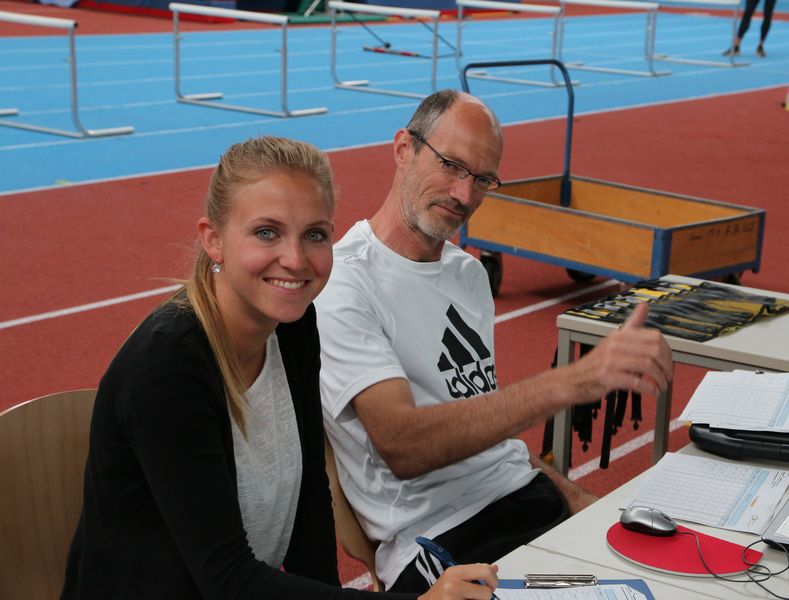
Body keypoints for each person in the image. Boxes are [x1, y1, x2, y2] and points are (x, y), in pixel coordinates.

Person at [61, 136, 498, 600]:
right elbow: (227, 578)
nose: (295, 260)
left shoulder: (292, 324)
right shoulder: (167, 368)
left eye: (315, 235)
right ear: (213, 239)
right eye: (267, 232)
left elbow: (310, 493)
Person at [316, 90, 674, 593]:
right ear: (403, 149)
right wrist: (572, 382)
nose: (464, 195)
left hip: (529, 499)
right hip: (445, 541)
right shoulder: (343, 284)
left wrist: (576, 499)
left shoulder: (468, 275)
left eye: (483, 179)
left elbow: (488, 431)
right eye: (451, 165)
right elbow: (404, 446)